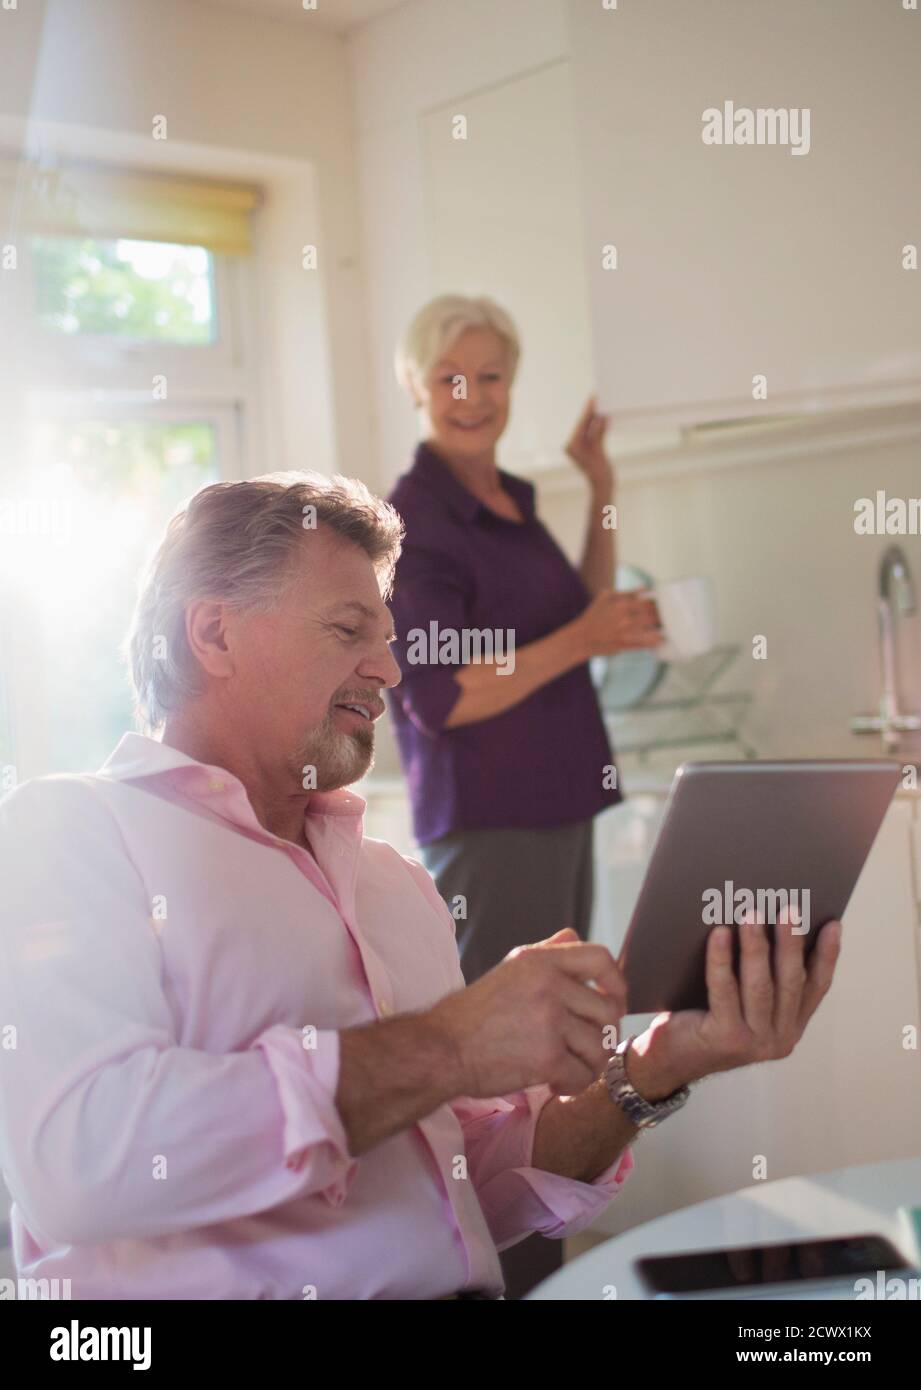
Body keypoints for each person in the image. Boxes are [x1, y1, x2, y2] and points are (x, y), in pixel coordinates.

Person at [0, 472, 841, 1300]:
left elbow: (470, 1184)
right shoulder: (72, 831)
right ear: (214, 635)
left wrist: (656, 1065)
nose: (391, 671)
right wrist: (451, 1045)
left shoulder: (393, 884)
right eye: (347, 629)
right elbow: (85, 1164)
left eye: (388, 636)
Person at [386, 294, 660, 1294]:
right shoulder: (414, 520)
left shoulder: (510, 497)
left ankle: (547, 1273)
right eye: (451, 376)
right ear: (416, 385)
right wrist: (581, 641)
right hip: (492, 827)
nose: (473, 395)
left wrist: (602, 484)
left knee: (563, 1063)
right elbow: (438, 695)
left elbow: (579, 612)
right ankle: (499, 1278)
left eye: (492, 375)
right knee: (506, 1080)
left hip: (559, 809)